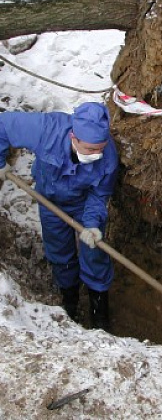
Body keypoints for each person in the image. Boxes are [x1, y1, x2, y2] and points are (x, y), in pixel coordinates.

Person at [0, 102, 119, 331]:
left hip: (83, 205)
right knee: (59, 252)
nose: (98, 154)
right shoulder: (47, 129)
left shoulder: (108, 157)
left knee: (95, 251)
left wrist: (92, 224)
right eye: (91, 149)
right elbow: (3, 125)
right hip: (50, 202)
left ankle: (99, 310)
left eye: (101, 148)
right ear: (74, 137)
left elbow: (99, 194)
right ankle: (70, 304)